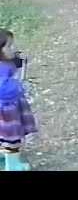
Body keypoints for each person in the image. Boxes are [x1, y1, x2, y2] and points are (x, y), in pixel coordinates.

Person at [0, 28, 37, 171]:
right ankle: (13, 165)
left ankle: (3, 153)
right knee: (11, 138)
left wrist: (18, 60)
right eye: (9, 46)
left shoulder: (4, 62)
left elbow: (11, 64)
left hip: (7, 109)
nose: (13, 48)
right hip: (7, 111)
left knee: (2, 135)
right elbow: (3, 89)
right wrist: (19, 87)